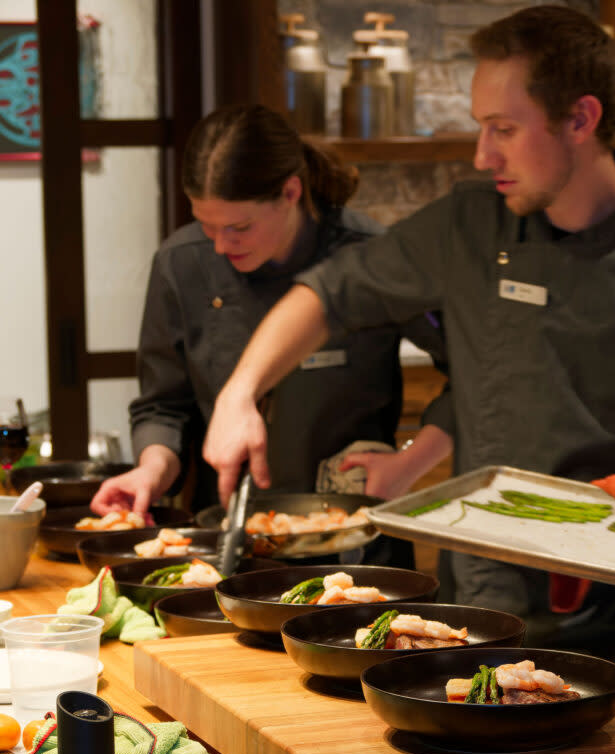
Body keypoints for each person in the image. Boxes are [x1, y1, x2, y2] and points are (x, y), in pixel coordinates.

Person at [202, 6, 615, 727]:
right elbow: (326, 294)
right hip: (476, 623)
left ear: (581, 119)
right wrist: (240, 393)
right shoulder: (469, 225)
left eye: (503, 128)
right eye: (480, 126)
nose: (481, 154)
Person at [90, 103, 447, 569]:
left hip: (358, 549)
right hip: (225, 545)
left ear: (290, 192)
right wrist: (152, 468)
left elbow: (474, 371)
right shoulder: (183, 263)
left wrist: (411, 464)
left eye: (239, 227)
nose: (220, 245)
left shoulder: (368, 258)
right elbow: (164, 405)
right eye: (207, 225)